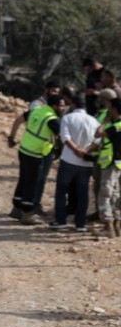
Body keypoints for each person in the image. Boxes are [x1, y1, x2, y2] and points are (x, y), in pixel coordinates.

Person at [7, 78, 61, 218]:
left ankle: (18, 208)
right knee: (35, 181)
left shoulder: (39, 109)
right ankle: (29, 210)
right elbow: (60, 134)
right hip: (38, 151)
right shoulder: (42, 110)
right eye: (54, 91)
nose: (56, 94)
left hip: (26, 147)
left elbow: (19, 120)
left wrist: (12, 138)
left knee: (25, 179)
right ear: (47, 90)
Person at [49, 91, 98, 232]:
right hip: (85, 163)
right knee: (82, 193)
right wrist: (85, 151)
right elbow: (98, 141)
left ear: (73, 104)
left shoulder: (67, 118)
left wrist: (76, 150)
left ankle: (60, 220)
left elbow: (65, 137)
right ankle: (80, 224)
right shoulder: (94, 121)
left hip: (69, 160)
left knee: (61, 191)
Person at [89, 96, 121, 237]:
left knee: (105, 194)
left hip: (110, 163)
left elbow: (98, 134)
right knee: (115, 193)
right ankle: (117, 224)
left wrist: (104, 121)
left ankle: (108, 224)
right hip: (118, 164)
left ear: (114, 109)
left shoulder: (115, 127)